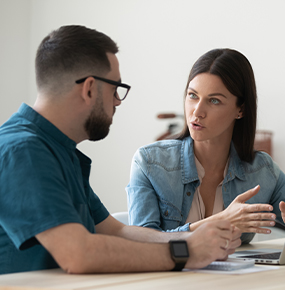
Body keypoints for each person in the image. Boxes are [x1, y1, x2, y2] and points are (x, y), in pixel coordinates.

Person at [0, 26, 242, 275]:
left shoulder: (59, 150)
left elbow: (118, 231)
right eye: (115, 88)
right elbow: (78, 254)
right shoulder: (23, 150)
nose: (117, 100)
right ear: (90, 88)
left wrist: (194, 240)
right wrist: (187, 252)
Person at [126, 48, 285, 244]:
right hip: (171, 275)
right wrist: (220, 221)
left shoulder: (261, 170)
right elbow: (141, 242)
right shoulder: (149, 163)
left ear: (240, 110)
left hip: (236, 275)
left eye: (214, 100)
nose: (197, 111)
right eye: (192, 96)